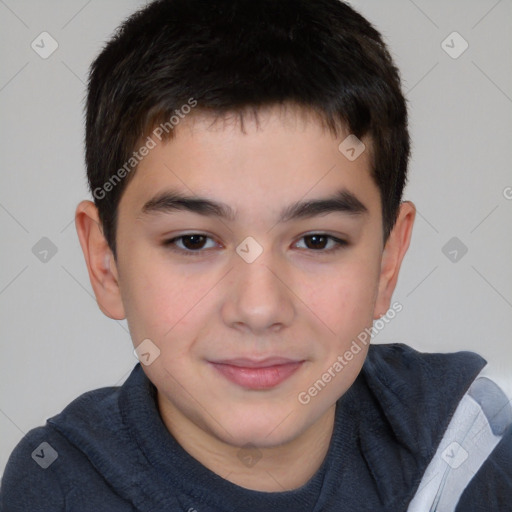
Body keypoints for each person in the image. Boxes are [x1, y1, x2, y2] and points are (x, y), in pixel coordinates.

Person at [1, 0, 511, 510]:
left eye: (317, 241)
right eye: (193, 241)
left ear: (387, 261)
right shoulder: (59, 486)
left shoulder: (468, 443)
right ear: (105, 261)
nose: (259, 308)